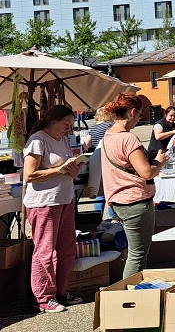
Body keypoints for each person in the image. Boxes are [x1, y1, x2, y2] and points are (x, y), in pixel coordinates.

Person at [23, 105, 83, 312]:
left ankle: (61, 291)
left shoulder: (64, 140)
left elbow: (68, 172)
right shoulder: (38, 140)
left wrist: (74, 169)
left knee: (67, 249)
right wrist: (59, 169)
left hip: (65, 199)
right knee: (45, 251)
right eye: (65, 124)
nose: (68, 128)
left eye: (70, 125)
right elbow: (29, 175)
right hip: (44, 202)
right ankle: (43, 297)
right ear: (53, 120)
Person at [102, 93, 169, 279]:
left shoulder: (108, 135)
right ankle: (130, 293)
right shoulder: (128, 138)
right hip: (135, 201)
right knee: (138, 254)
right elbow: (147, 172)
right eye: (140, 115)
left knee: (135, 252)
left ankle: (133, 290)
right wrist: (160, 161)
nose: (139, 119)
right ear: (132, 112)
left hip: (119, 200)